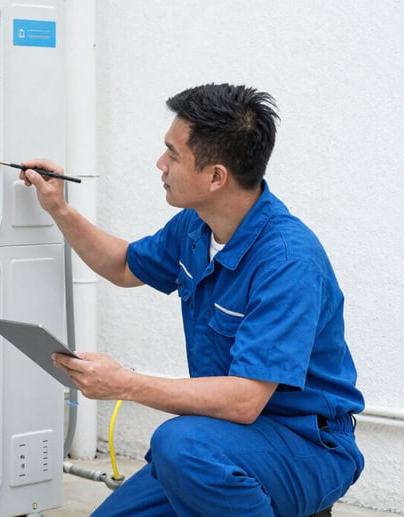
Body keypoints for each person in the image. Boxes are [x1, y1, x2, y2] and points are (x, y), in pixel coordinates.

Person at [19, 83, 364, 517]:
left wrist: (123, 383)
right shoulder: (194, 227)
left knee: (179, 444)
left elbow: (244, 400)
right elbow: (125, 266)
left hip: (304, 445)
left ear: (216, 176)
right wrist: (59, 209)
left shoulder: (288, 261)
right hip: (223, 440)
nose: (160, 164)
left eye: (173, 154)